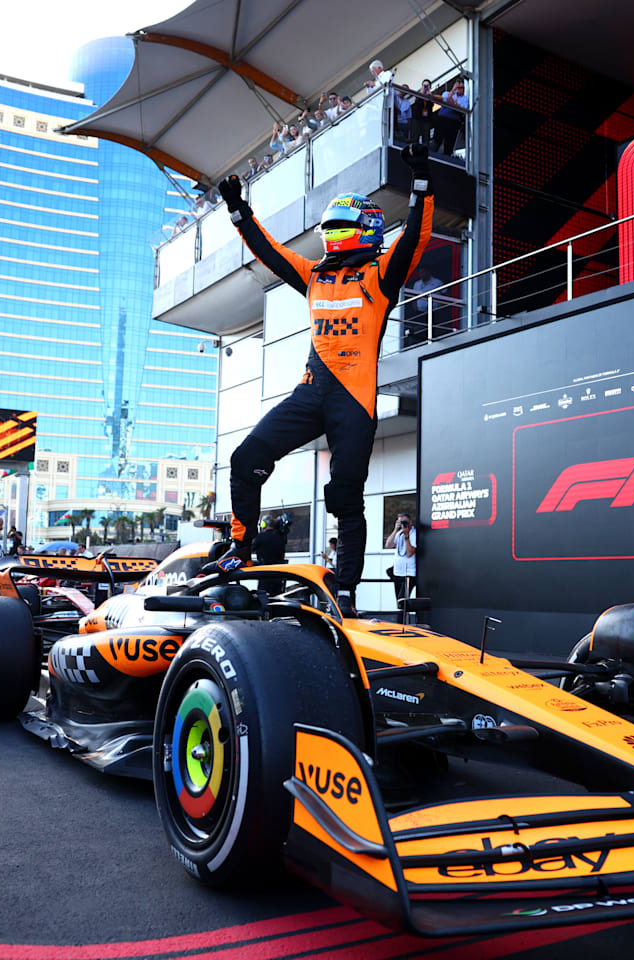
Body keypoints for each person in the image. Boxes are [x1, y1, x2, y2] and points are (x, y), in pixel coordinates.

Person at [204, 143, 435, 616]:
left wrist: (422, 180)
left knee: (346, 495)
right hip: (311, 392)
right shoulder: (314, 276)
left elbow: (415, 236)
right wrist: (237, 209)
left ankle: (346, 587)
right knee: (247, 456)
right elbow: (270, 252)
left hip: (354, 399)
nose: (331, 236)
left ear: (364, 231)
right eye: (328, 229)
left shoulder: (381, 274)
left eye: (339, 229)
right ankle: (239, 546)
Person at [384, 512, 418, 602]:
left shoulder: (414, 534)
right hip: (398, 572)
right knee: (399, 601)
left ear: (410, 522)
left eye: (404, 522)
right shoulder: (399, 533)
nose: (402, 524)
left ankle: (402, 616)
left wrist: (407, 536)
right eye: (400, 522)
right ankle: (402, 615)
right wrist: (395, 529)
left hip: (408, 573)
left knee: (403, 601)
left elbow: (410, 553)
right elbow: (388, 545)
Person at [434, 78, 470, 155]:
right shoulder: (447, 93)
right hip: (442, 119)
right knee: (437, 140)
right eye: (458, 87)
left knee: (449, 142)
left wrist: (453, 103)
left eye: (461, 88)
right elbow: (447, 99)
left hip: (453, 121)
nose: (459, 89)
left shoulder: (465, 98)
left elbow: (462, 109)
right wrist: (453, 91)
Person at [408, 79, 436, 146]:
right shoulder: (419, 94)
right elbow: (416, 105)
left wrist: (431, 96)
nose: (426, 87)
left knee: (425, 138)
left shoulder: (431, 95)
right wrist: (421, 94)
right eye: (424, 85)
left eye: (427, 85)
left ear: (430, 87)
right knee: (415, 136)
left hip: (426, 120)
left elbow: (432, 105)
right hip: (417, 118)